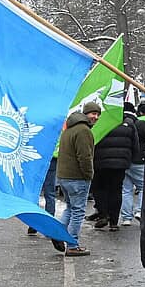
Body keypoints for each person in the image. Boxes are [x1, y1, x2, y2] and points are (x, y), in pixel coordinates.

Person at [53, 102, 98, 256]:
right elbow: (84, 157)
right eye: (93, 113)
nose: (96, 117)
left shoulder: (69, 128)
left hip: (64, 176)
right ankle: (72, 245)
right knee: (78, 211)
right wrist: (89, 174)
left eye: (98, 114)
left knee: (70, 208)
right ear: (86, 114)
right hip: (77, 177)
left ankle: (57, 234)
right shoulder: (83, 131)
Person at [91, 106, 137, 231]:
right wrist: (129, 159)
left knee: (99, 189)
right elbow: (135, 144)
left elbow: (92, 141)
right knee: (116, 190)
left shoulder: (101, 123)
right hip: (120, 164)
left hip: (100, 162)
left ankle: (103, 214)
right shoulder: (129, 123)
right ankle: (114, 222)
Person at [121, 104, 145, 226]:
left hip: (124, 161)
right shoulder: (141, 124)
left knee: (126, 190)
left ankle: (126, 218)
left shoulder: (118, 122)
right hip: (140, 160)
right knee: (143, 187)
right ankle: (139, 211)